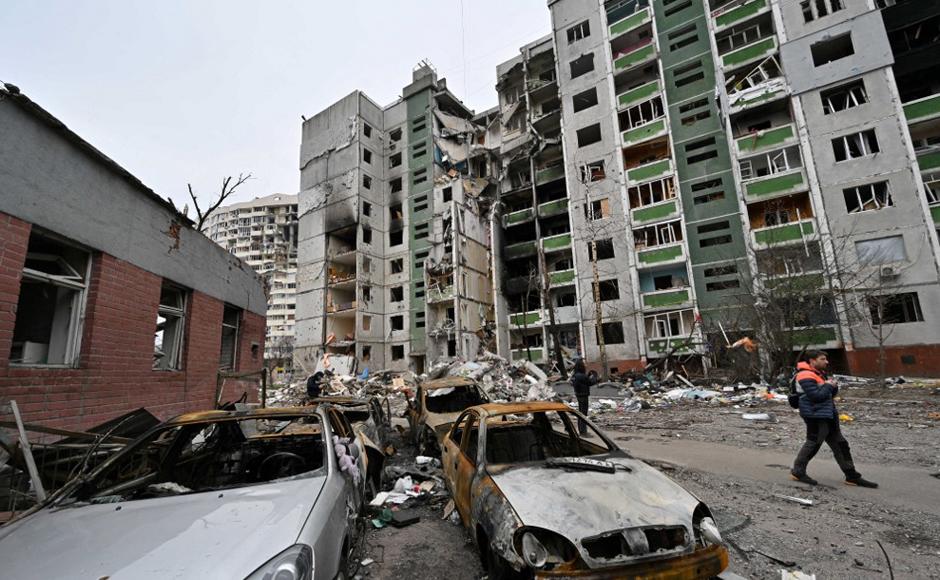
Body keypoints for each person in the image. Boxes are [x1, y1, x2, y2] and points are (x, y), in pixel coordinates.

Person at [791, 351, 878, 488]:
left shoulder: (818, 374)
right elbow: (816, 396)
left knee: (840, 444)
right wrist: (828, 386)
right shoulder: (804, 375)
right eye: (823, 359)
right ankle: (798, 471)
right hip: (815, 416)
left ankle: (851, 475)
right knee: (813, 443)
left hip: (828, 413)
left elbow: (828, 394)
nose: (826, 362)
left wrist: (833, 386)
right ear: (812, 361)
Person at [571, 360, 594, 435]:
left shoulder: (575, 375)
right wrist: (594, 377)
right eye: (584, 364)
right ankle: (583, 432)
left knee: (580, 413)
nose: (585, 365)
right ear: (581, 366)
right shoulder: (582, 376)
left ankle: (581, 430)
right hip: (583, 395)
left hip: (579, 395)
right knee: (583, 414)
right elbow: (590, 382)